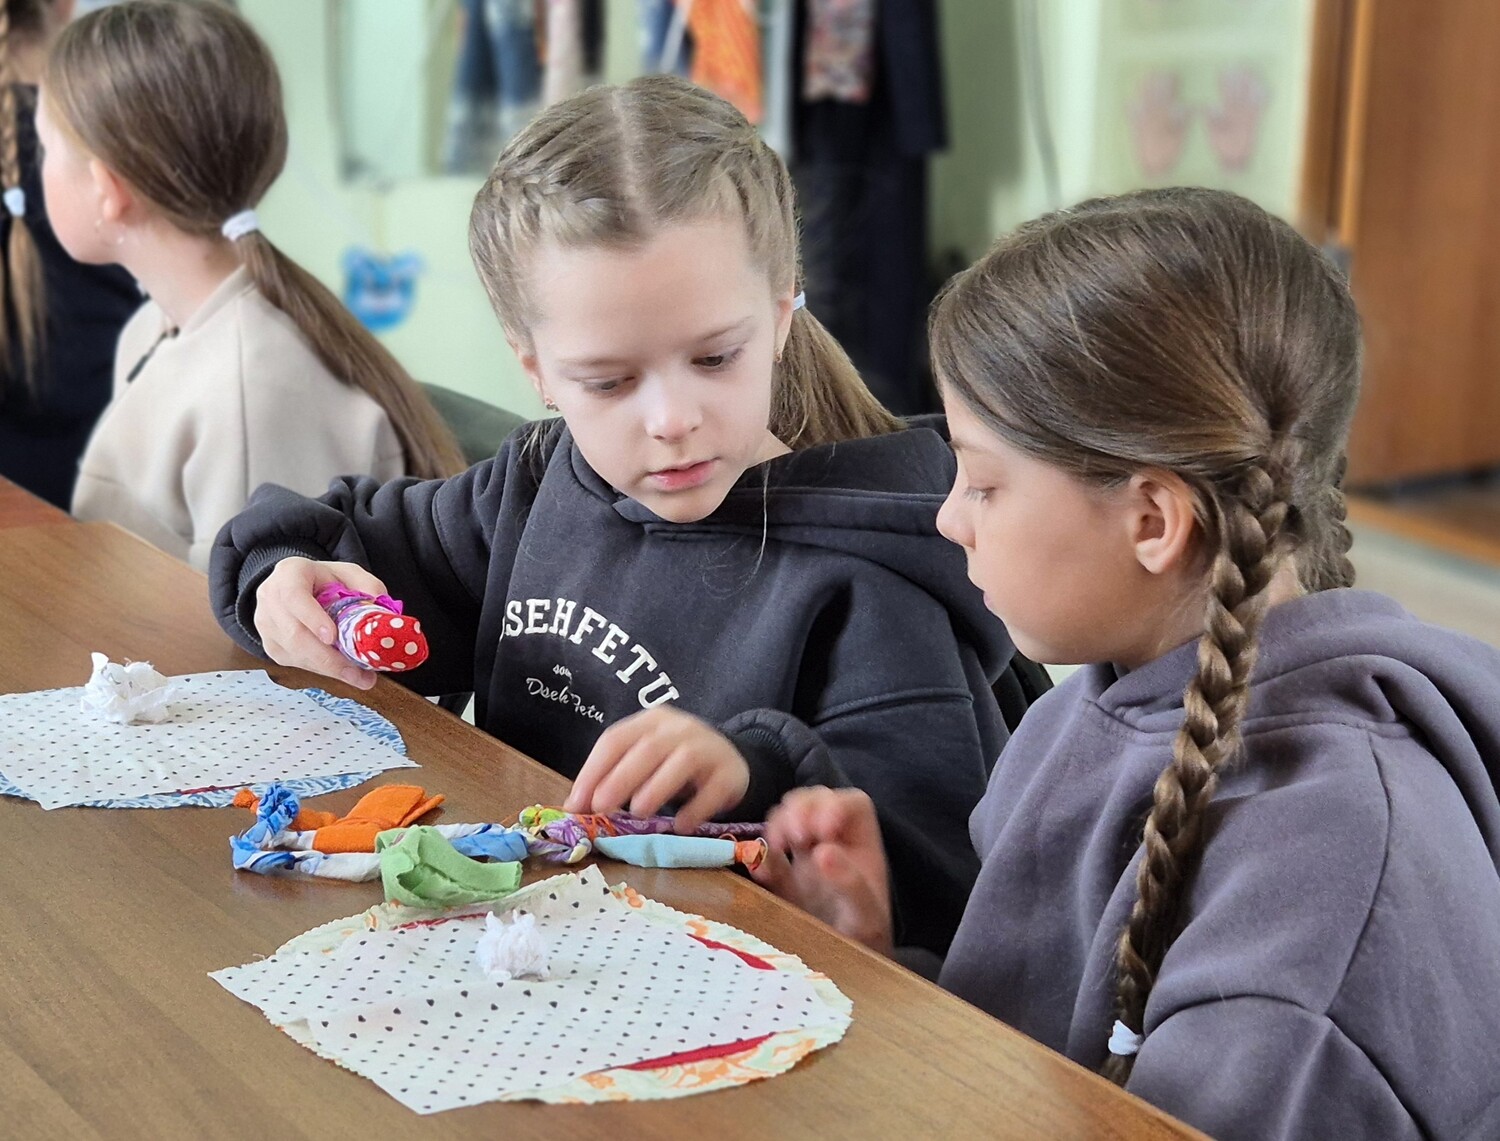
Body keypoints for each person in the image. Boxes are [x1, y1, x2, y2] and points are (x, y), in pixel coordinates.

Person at [754, 187, 1500, 1139]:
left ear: (1153, 520)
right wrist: (879, 966)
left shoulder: (1306, 930)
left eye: (983, 481)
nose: (948, 518)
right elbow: (1044, 1062)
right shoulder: (1090, 708)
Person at [210, 75, 1014, 957]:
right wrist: (281, 582)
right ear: (536, 371)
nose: (671, 419)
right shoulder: (534, 485)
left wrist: (755, 771)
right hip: (522, 961)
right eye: (609, 381)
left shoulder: (872, 583)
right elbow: (335, 537)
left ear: (782, 316)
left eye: (715, 357)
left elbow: (936, 892)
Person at [39, 0, 464, 568]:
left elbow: (245, 619)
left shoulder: (250, 394)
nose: (37, 167)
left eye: (45, 149)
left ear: (107, 189)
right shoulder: (154, 328)